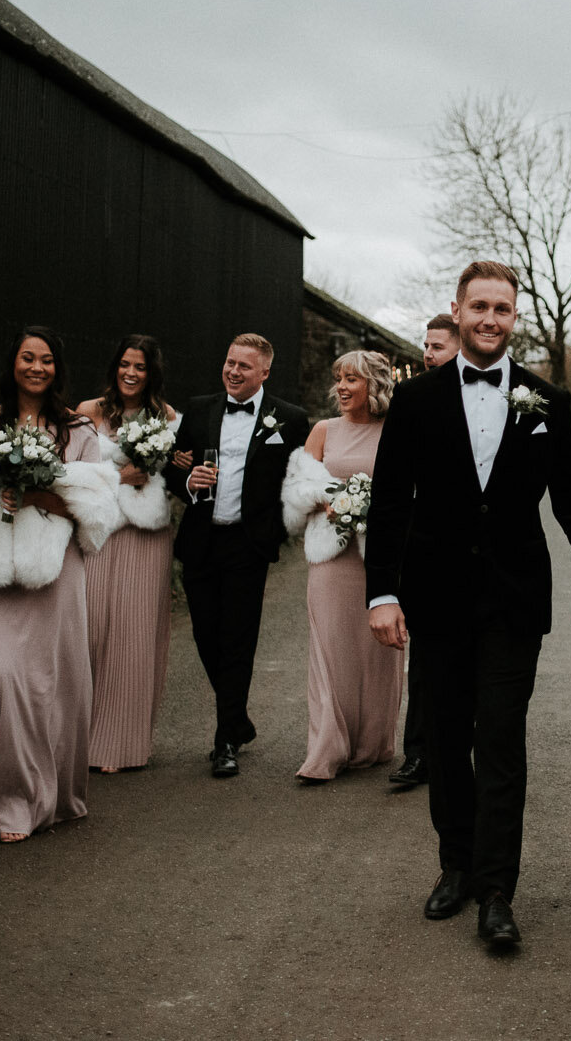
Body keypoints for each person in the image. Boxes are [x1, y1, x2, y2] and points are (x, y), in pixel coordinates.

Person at [365, 260, 571, 951]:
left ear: (516, 316)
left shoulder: (547, 400)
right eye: (478, 306)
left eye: (501, 308)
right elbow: (389, 501)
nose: (489, 318)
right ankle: (456, 865)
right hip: (436, 595)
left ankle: (498, 890)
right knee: (446, 740)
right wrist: (382, 592)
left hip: (513, 598)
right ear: (457, 309)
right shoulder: (416, 401)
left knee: (501, 740)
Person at [0, 327, 121, 842]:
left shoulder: (78, 431)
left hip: (56, 570)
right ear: (12, 365)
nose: (36, 367)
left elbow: (99, 513)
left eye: (47, 360)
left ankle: (31, 801)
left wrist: (39, 496)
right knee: (0, 677)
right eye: (28, 358)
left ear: (57, 369)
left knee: (51, 682)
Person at [165, 334, 311, 778]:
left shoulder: (288, 419)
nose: (233, 371)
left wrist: (279, 530)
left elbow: (300, 477)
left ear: (264, 372)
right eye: (230, 363)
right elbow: (174, 466)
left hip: (247, 545)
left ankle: (225, 737)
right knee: (207, 637)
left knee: (238, 641)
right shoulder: (200, 407)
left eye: (244, 367)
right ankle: (238, 718)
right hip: (201, 540)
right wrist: (190, 481)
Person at [282, 350, 402, 782]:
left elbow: (408, 490)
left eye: (353, 379)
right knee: (329, 649)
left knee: (375, 653)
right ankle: (325, 749)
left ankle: (371, 743)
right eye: (339, 379)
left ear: (375, 384)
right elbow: (297, 487)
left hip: (379, 560)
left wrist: (371, 506)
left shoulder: (395, 430)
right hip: (332, 557)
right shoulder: (323, 430)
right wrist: (329, 499)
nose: (343, 387)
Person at [76, 336, 179, 773]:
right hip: (98, 531)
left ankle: (120, 743)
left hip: (145, 536)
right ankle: (78, 740)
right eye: (124, 364)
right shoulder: (86, 412)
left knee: (134, 636)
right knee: (91, 631)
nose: (130, 373)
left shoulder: (168, 418)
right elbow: (72, 469)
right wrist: (119, 476)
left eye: (139, 366)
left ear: (151, 372)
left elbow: (177, 475)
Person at [387, 313, 462, 792]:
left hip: (477, 551)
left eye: (437, 346)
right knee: (427, 661)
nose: (428, 354)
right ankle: (417, 753)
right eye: (426, 346)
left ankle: (459, 745)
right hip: (424, 549)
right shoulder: (411, 401)